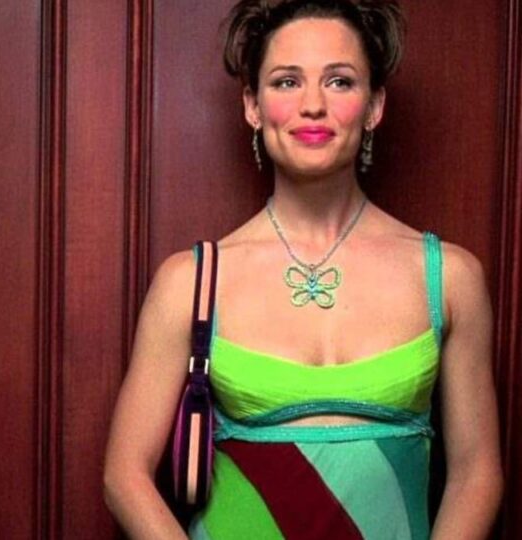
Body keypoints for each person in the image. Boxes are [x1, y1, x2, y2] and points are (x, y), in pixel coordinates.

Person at [103, 1, 502, 538]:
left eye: (339, 81)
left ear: (374, 105)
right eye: (287, 82)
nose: (313, 105)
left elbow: (477, 473)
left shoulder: (449, 278)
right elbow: (124, 475)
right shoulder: (190, 283)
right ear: (253, 105)